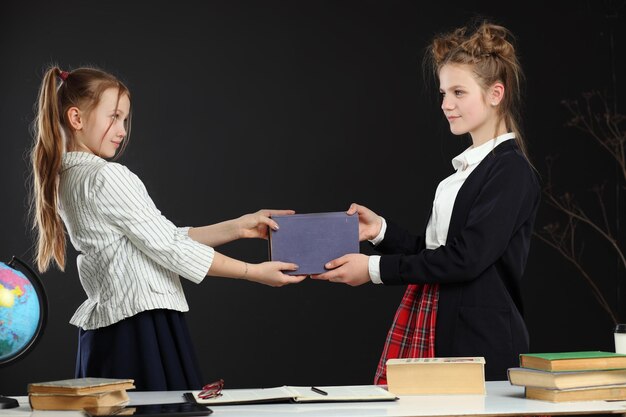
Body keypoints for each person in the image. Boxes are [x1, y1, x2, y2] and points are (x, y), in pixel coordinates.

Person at [30, 66, 306, 390]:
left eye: (124, 119)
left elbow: (159, 237)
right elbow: (168, 248)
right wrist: (254, 272)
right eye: (113, 117)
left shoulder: (66, 179)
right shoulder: (106, 176)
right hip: (140, 328)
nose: (121, 130)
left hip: (112, 326)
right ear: (76, 118)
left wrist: (238, 227)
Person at [313, 20, 540, 382]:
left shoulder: (511, 171)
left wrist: (373, 271)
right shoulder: (462, 173)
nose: (446, 104)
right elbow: (438, 253)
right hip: (436, 319)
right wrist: (381, 232)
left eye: (458, 93)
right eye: (443, 93)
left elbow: (464, 260)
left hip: (479, 344)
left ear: (495, 94)